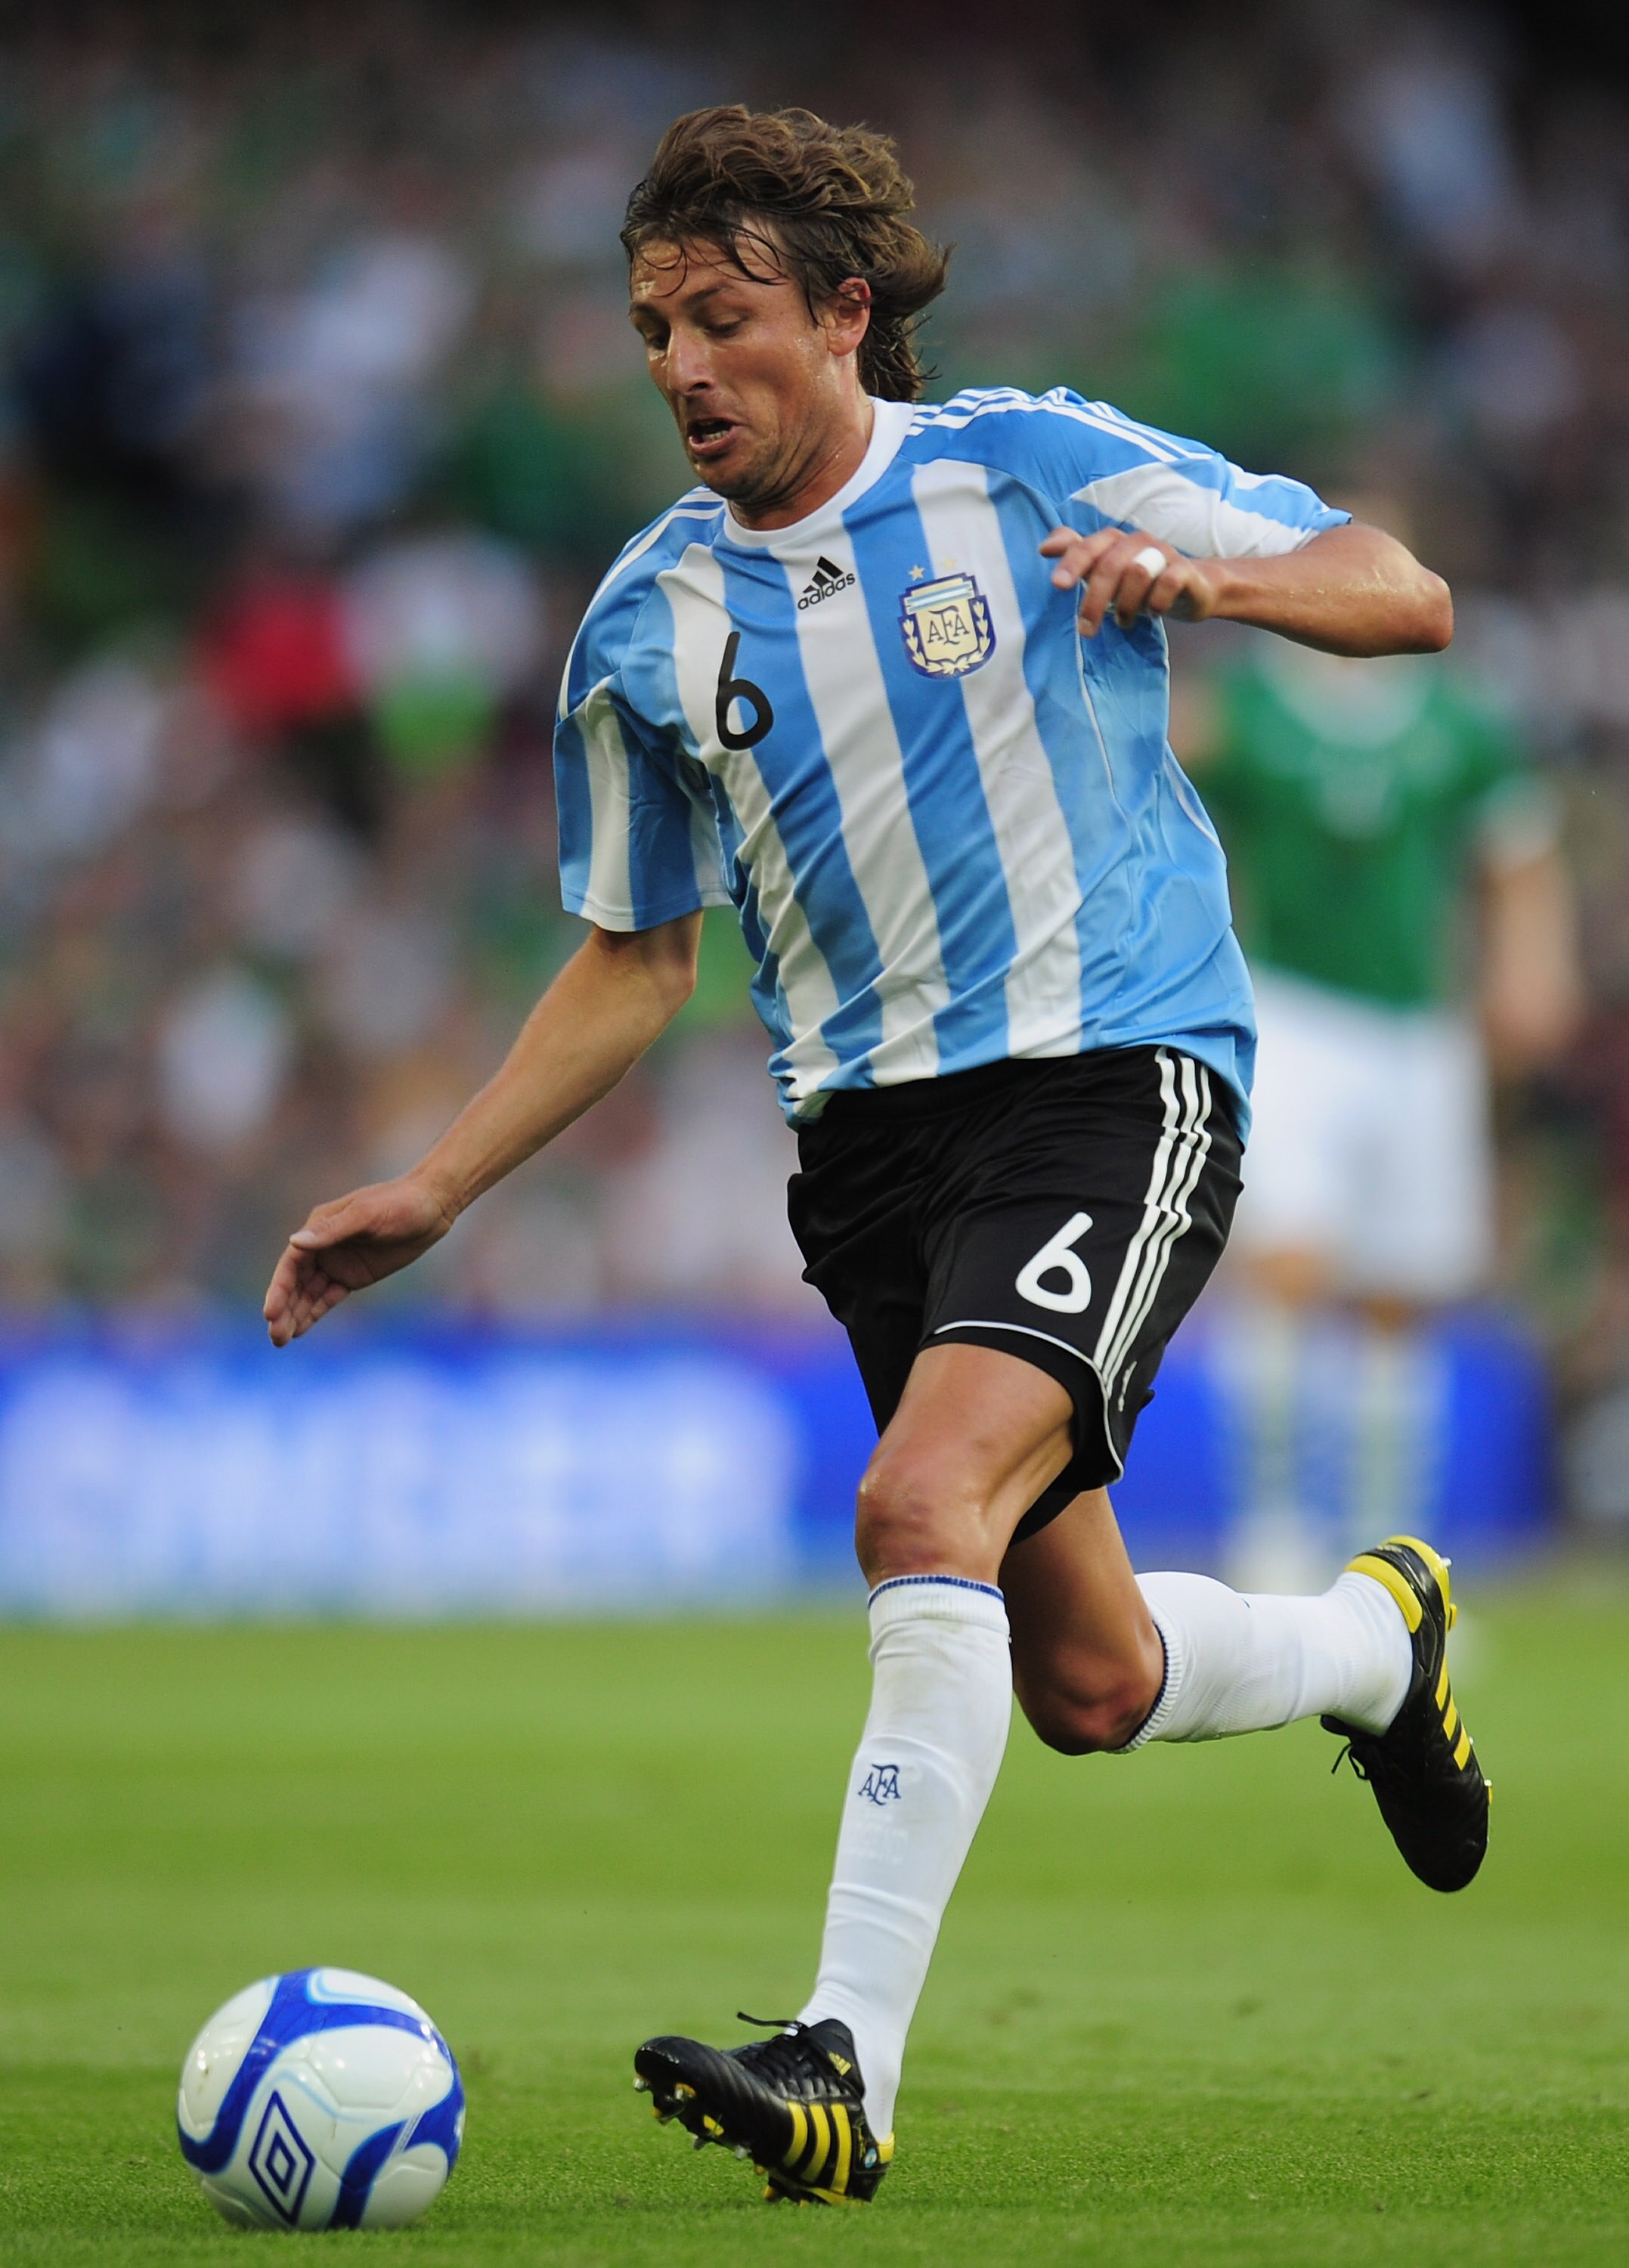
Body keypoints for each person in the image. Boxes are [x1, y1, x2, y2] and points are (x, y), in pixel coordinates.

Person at [262, 107, 1485, 2208]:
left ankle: (842, 2063)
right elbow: (638, 958)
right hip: (871, 1162)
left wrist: (1199, 579)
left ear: (844, 319)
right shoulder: (645, 627)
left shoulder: (1020, 466)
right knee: (1086, 1682)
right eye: (651, 327)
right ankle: (1384, 1648)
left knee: (917, 1496)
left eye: (722, 319)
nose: (677, 365)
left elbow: (1406, 592)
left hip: (1115, 1073)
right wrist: (438, 1186)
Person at [1176, 567, 1581, 1587]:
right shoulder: (1251, 709)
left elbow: (1516, 852)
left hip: (1422, 1028)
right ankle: (1270, 1533)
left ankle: (1386, 1556)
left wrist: (1533, 963)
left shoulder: (1460, 721)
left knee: (1401, 1295)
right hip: (1292, 1013)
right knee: (1289, 1268)